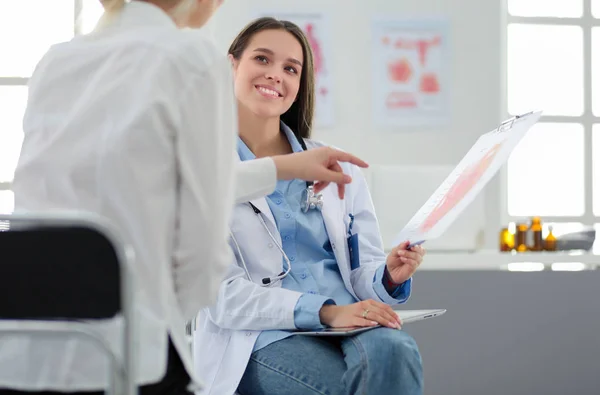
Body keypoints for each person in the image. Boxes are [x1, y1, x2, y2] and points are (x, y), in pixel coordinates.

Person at [1, 1, 369, 395]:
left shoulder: (57, 59)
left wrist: (285, 168)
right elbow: (202, 251)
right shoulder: (190, 59)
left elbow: (145, 182)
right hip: (128, 354)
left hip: (25, 338)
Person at [192, 17, 426, 395]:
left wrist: (389, 275)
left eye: (290, 68)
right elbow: (222, 298)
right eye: (262, 60)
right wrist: (325, 312)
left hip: (352, 323)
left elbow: (361, 270)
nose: (275, 76)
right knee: (340, 387)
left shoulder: (336, 166)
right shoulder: (203, 169)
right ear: (232, 64)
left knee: (396, 351)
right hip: (261, 337)